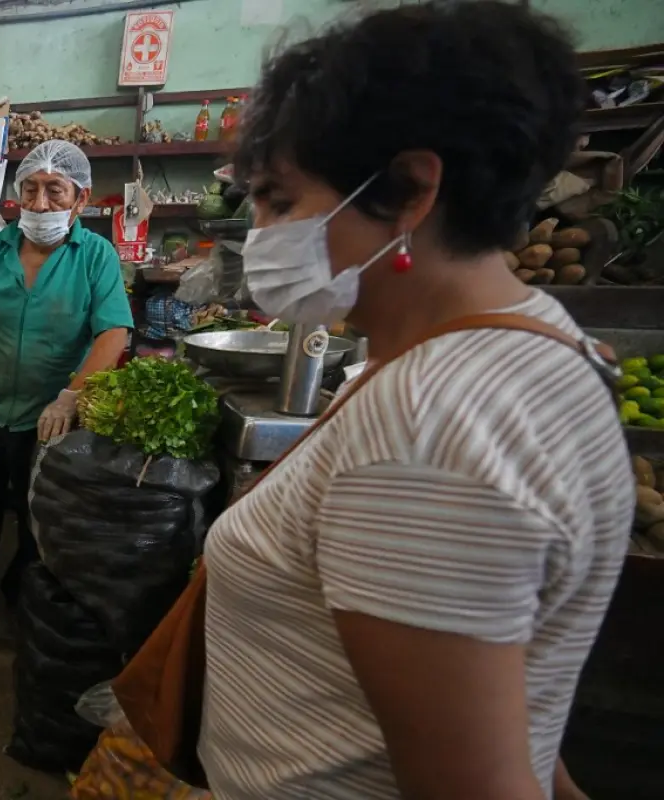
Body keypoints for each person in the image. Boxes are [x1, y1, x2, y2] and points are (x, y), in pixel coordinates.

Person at [199, 3, 631, 799]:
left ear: (409, 191)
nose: (260, 232)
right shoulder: (552, 346)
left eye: (282, 201)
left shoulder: (424, 429)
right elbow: (518, 712)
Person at [0, 140, 134, 623]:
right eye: (30, 190)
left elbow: (113, 333)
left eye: (55, 191)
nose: (41, 203)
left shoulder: (96, 257)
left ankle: (22, 610)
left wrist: (71, 396)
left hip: (50, 417)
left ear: (81, 200)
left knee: (39, 520)